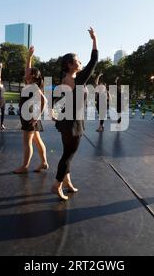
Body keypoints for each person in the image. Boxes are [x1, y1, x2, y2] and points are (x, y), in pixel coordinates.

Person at [52, 27, 98, 201]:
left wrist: (55, 112)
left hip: (65, 121)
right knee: (68, 155)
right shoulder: (78, 80)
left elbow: (58, 98)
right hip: (73, 123)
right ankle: (57, 184)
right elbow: (94, 60)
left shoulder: (64, 79)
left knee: (67, 153)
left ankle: (67, 183)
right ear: (70, 65)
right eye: (78, 60)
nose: (81, 62)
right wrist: (94, 39)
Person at [14, 46, 49, 175]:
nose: (26, 71)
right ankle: (44, 162)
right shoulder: (30, 83)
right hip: (31, 117)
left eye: (28, 71)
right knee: (37, 141)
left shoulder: (33, 86)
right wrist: (29, 57)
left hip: (30, 118)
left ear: (32, 76)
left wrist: (37, 116)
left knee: (27, 143)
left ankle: (25, 166)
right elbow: (27, 68)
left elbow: (44, 100)